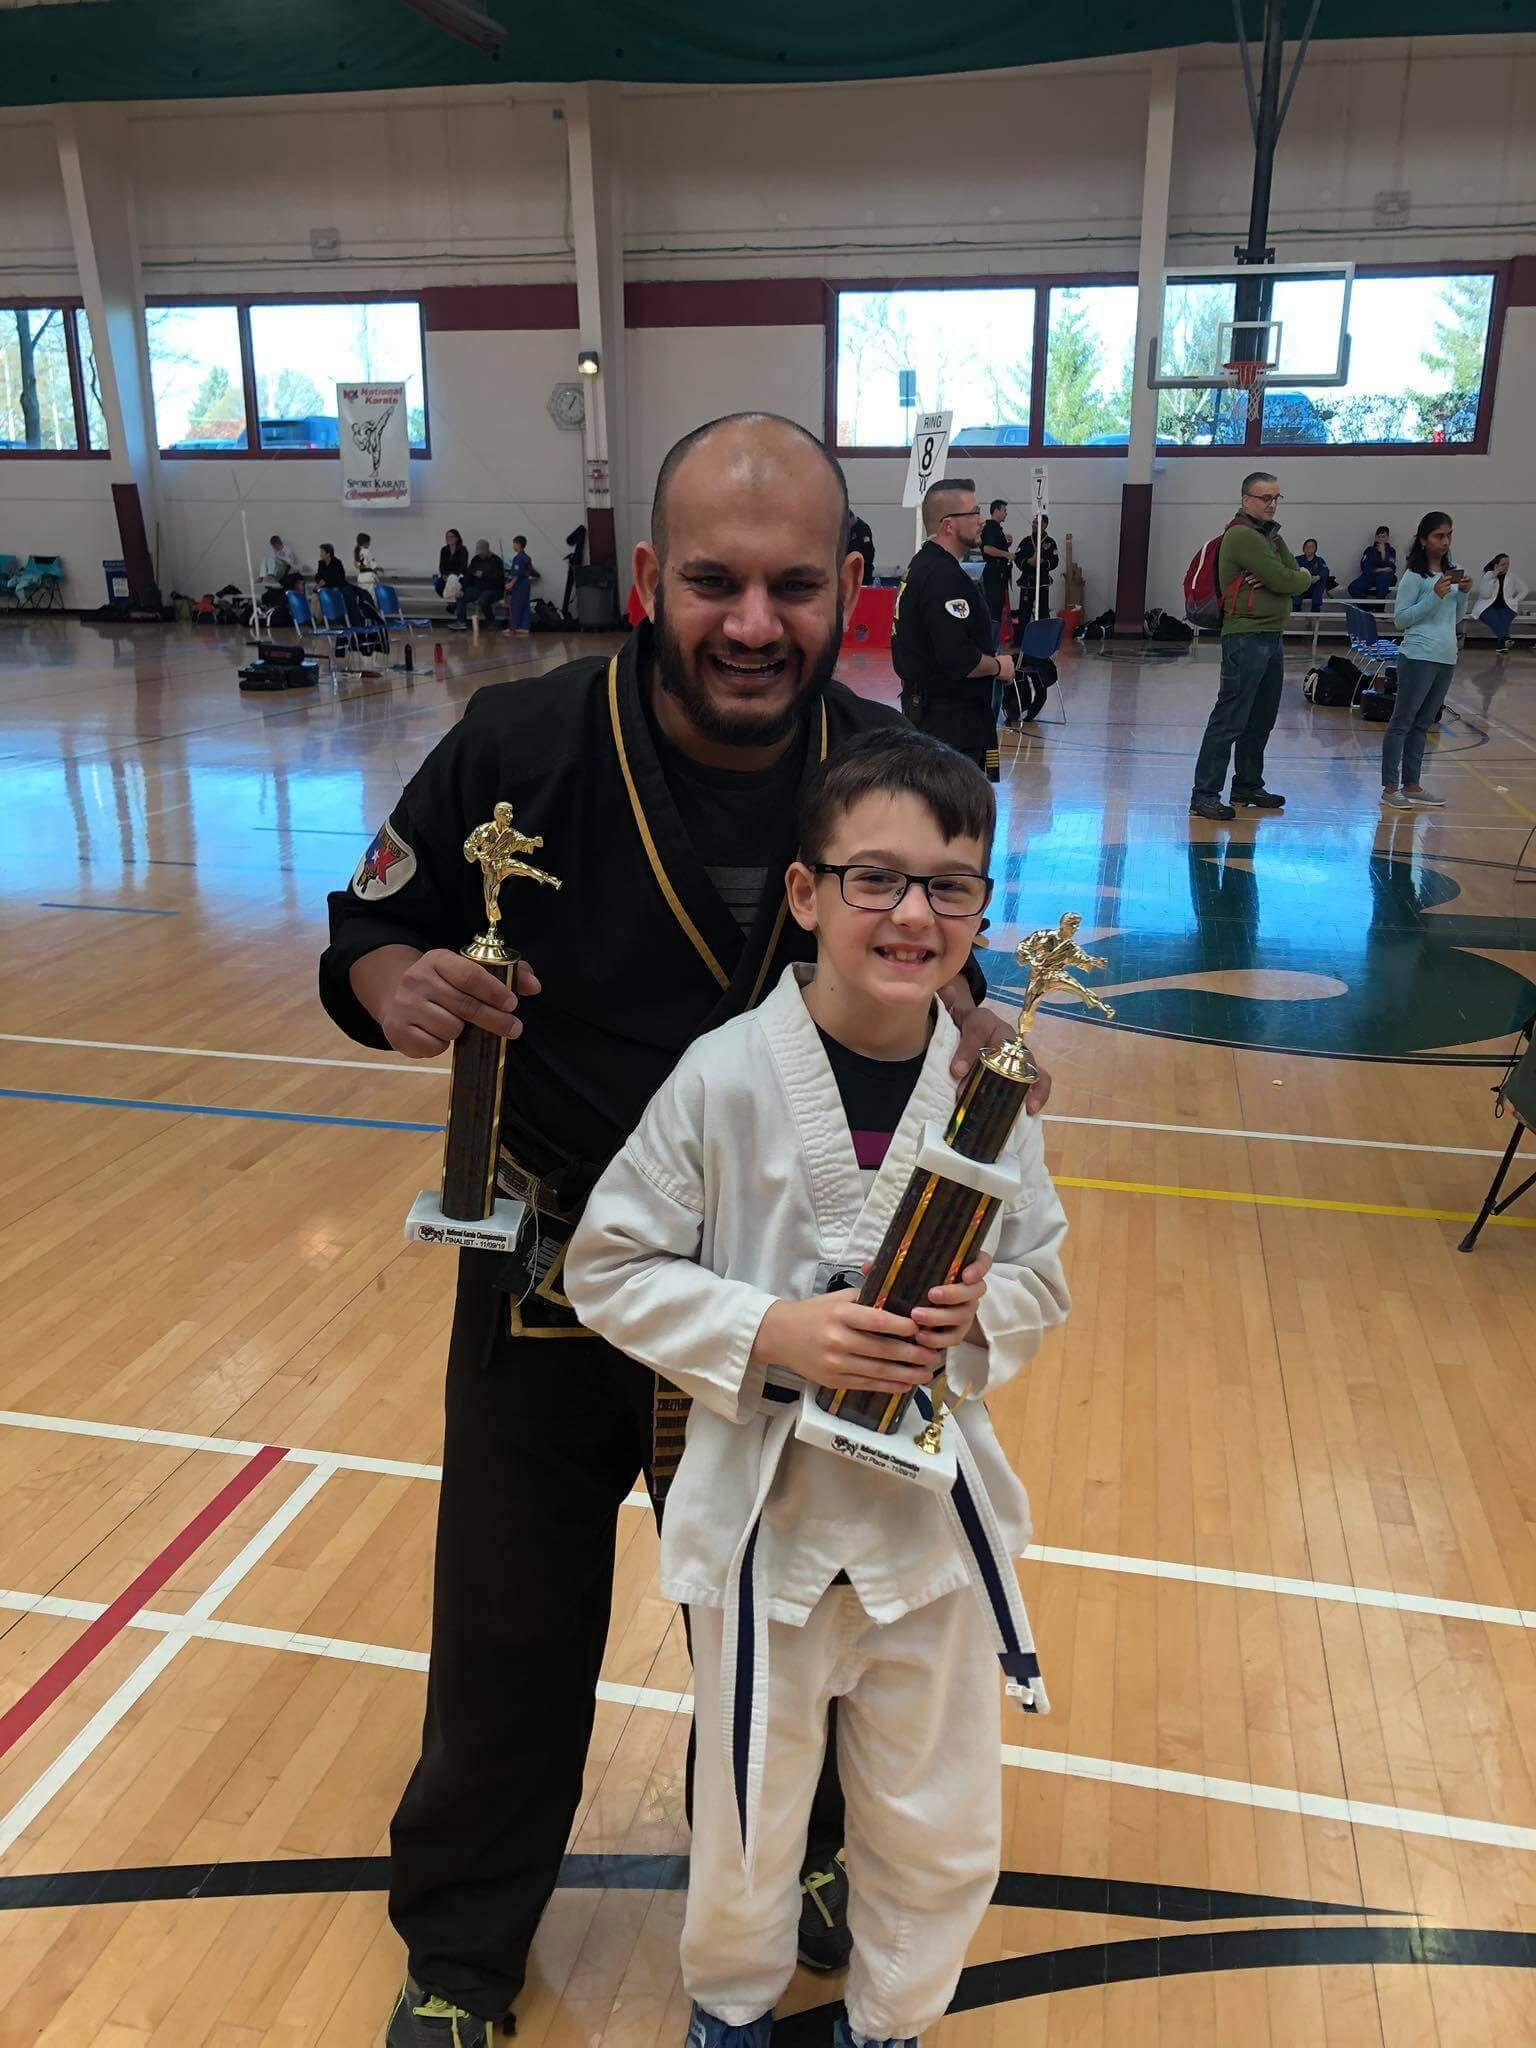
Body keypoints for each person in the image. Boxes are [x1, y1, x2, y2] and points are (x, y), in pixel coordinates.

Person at [318, 413, 1052, 2048]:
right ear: (650, 576)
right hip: (560, 1269)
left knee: (817, 1614)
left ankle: (806, 1856)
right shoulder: (519, 744)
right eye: (712, 579)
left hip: (803, 1311)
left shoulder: (882, 772)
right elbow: (370, 918)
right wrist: (399, 982)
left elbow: (930, 962)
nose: (748, 619)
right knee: (509, 1626)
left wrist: (983, 1034)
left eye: (792, 583)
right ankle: (460, 1947)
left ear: (847, 589)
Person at [564, 726, 1070, 2048]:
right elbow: (608, 1265)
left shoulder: (990, 1095)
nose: (913, 914)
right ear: (804, 894)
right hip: (767, 1530)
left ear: (979, 910)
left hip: (928, 1533)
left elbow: (1042, 1276)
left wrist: (972, 1322)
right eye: (876, 879)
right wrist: (771, 1327)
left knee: (941, 1820)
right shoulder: (725, 1078)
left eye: (950, 885)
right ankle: (731, 2013)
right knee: (746, 1815)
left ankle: (891, 2021)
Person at [1189, 470, 1311, 822]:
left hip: (1270, 636)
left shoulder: (1271, 538)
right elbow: (1284, 578)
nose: (1271, 503)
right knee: (1230, 717)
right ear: (1245, 500)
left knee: (1261, 718)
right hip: (1245, 637)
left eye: (1276, 497)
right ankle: (1205, 794)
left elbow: (1296, 575)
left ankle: (1246, 785)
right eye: (1264, 497)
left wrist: (1294, 578)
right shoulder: (1243, 536)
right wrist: (1290, 579)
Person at [891, 477, 1012, 783]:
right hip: (949, 723)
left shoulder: (923, 565)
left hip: (933, 712)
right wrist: (999, 667)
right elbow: (960, 659)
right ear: (948, 525)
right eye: (973, 513)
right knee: (953, 815)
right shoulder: (943, 577)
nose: (980, 520)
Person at [1381, 510, 1473, 812]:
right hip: (1418, 655)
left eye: (1449, 535)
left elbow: (1456, 618)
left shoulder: (1453, 571)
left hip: (1446, 656)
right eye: (1438, 535)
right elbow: (1401, 620)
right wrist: (1434, 595)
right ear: (1423, 540)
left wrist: (1463, 595)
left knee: (1423, 723)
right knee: (1402, 722)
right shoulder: (1413, 577)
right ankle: (1390, 787)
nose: (1445, 541)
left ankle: (1413, 784)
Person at [1471, 552, 1528, 651]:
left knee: (1503, 619)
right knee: (1495, 619)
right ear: (1496, 565)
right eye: (1503, 564)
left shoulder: (1512, 576)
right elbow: (1485, 595)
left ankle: (1502, 643)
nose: (1506, 566)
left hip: (1507, 606)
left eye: (1508, 564)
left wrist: (1515, 600)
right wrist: (1493, 577)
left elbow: (1525, 589)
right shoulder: (1488, 575)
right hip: (1487, 607)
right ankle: (1505, 640)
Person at [1013, 514, 1058, 621]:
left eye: (1036, 523)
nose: (1033, 525)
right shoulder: (1026, 541)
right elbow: (1017, 558)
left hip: (1042, 581)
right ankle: (1022, 637)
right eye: (1033, 522)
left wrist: (1042, 562)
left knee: (1043, 614)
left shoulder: (1050, 543)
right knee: (1024, 613)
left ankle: (1042, 637)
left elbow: (1055, 561)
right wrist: (1028, 561)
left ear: (1045, 525)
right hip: (1027, 582)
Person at [452, 540, 503, 630]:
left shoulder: (497, 561)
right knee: (460, 596)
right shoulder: (475, 560)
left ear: (487, 549)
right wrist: (462, 589)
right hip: (477, 588)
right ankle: (461, 622)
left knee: (483, 600)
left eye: (482, 552)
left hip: (493, 589)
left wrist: (484, 575)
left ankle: (491, 621)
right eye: (478, 552)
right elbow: (468, 576)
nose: (480, 554)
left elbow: (498, 578)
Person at [1349, 526, 1396, 600]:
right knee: (1353, 587)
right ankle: (1367, 608)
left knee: (1383, 578)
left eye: (1383, 537)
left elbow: (1390, 567)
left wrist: (1383, 553)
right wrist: (1381, 569)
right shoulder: (1369, 550)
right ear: (1376, 537)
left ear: (1387, 537)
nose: (1381, 539)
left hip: (1385, 578)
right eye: (1379, 537)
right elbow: (1365, 566)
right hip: (1370, 576)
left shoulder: (1391, 551)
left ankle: (1379, 609)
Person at [504, 534, 534, 635]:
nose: (513, 546)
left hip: (519, 585)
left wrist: (511, 584)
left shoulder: (518, 558)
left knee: (515, 605)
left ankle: (513, 627)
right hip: (526, 584)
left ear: (519, 544)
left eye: (514, 543)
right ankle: (524, 627)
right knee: (525, 605)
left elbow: (517, 573)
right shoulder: (527, 557)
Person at [1292, 537, 1330, 613]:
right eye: (1307, 547)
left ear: (1315, 549)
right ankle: (1296, 605)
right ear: (1303, 548)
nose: (1308, 549)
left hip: (1314, 589)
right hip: (1302, 587)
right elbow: (1291, 570)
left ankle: (1316, 606)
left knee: (1321, 580)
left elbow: (1325, 571)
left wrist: (1317, 577)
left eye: (1311, 547)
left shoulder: (1319, 560)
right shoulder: (1297, 559)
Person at [434, 529, 469, 603]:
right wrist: (444, 575)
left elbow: (463, 566)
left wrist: (452, 575)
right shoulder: (444, 550)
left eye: (451, 536)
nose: (449, 539)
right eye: (447, 537)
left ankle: (454, 603)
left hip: (458, 576)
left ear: (457, 538)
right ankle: (450, 602)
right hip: (446, 575)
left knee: (454, 584)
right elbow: (441, 565)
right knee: (438, 586)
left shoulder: (462, 550)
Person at [847, 509, 876, 589]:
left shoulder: (863, 528)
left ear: (851, 518)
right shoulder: (847, 530)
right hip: (850, 571)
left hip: (863, 571)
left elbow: (868, 551)